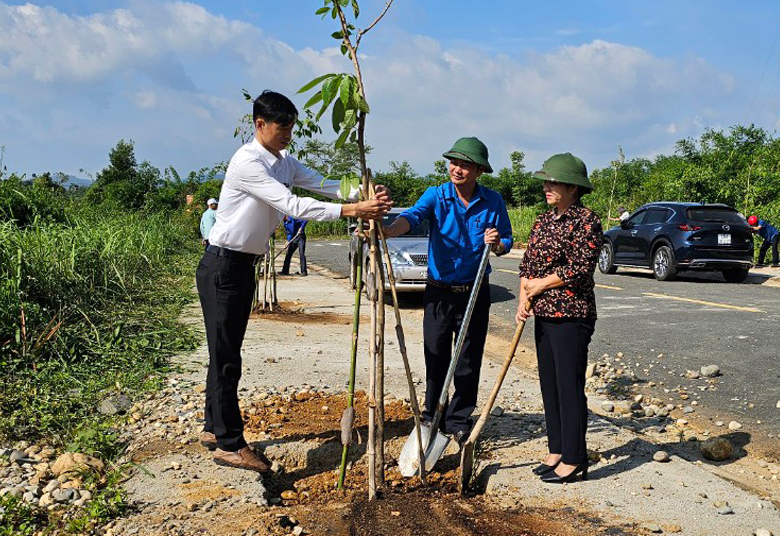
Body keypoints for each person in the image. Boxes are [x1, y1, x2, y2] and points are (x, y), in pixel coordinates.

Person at [198, 90, 392, 472]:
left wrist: (364, 191)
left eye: (291, 128)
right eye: (282, 128)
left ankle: (212, 427)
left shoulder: (284, 161)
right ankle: (229, 443)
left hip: (242, 265)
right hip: (222, 266)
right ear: (260, 125)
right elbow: (293, 206)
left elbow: (323, 185)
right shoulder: (247, 162)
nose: (288, 135)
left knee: (226, 350)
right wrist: (354, 209)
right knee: (225, 357)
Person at [383, 137, 513, 443]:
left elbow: (506, 240)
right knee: (436, 354)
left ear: (479, 170)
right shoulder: (437, 195)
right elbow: (413, 217)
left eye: (465, 165)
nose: (457, 169)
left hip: (474, 290)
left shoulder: (492, 201)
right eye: (454, 162)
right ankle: (432, 414)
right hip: (439, 292)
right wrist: (389, 231)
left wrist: (496, 244)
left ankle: (458, 417)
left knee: (468, 357)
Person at [517, 153, 602, 484]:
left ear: (572, 187)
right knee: (549, 384)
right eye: (546, 181)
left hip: (572, 315)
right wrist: (524, 296)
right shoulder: (543, 221)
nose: (546, 187)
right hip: (543, 313)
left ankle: (575, 458)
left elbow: (579, 270)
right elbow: (527, 264)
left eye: (553, 182)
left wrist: (540, 284)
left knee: (569, 386)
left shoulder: (586, 221)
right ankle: (556, 450)